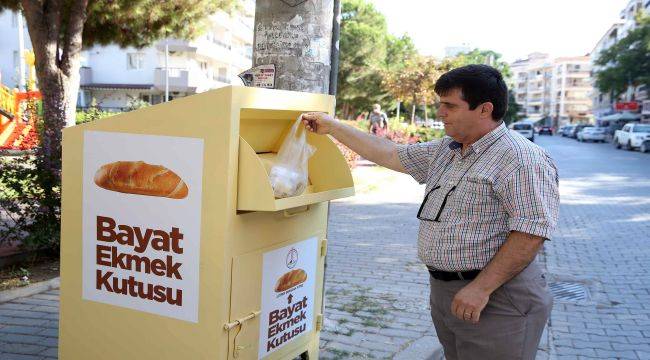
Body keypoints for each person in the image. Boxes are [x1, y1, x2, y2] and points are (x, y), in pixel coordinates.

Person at [301, 64, 559, 360]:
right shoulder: (448, 150)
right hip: (449, 292)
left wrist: (480, 289)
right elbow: (388, 153)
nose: (440, 113)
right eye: (440, 104)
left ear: (484, 109)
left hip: (496, 297)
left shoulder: (522, 159)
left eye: (450, 106)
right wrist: (332, 127)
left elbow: (531, 233)